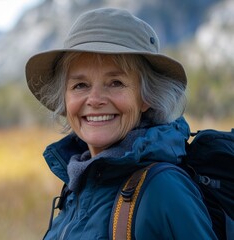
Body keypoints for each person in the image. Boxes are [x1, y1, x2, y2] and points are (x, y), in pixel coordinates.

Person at [25, 7, 218, 239]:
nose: (95, 100)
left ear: (147, 97)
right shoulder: (77, 185)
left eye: (115, 83)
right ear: (64, 100)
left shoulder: (163, 189)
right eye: (80, 85)